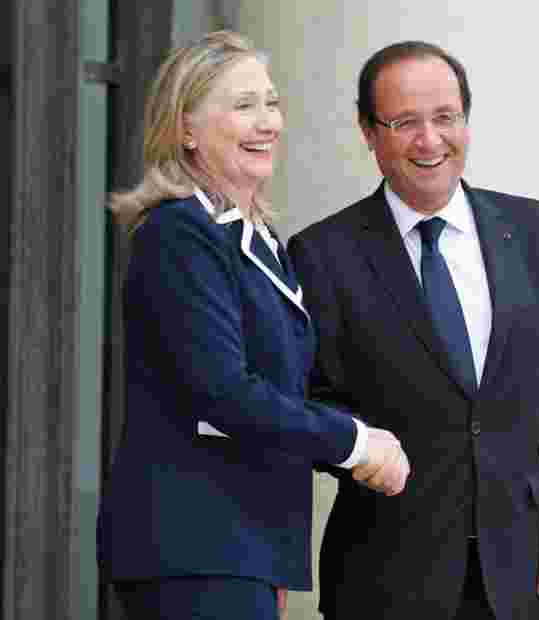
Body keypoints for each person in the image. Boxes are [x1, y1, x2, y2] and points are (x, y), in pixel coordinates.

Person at [96, 31, 409, 620]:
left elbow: (282, 390)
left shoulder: (254, 238)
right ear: (186, 129)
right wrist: (354, 444)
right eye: (243, 106)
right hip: (196, 548)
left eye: (271, 103)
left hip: (243, 548)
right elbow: (224, 392)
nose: (268, 122)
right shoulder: (179, 235)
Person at [287, 41, 539, 620]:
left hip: (518, 571)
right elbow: (311, 400)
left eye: (445, 117)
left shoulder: (537, 233)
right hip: (384, 571)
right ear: (369, 132)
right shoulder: (323, 254)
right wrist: (363, 452)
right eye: (405, 122)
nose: (429, 141)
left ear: (466, 120)